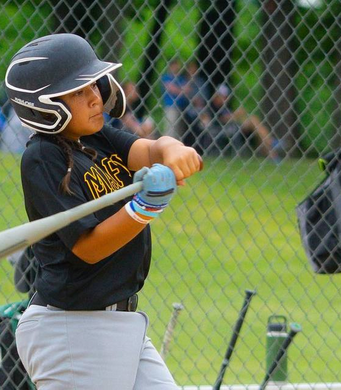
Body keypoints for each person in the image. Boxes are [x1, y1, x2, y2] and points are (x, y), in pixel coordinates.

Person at [5, 33, 202, 390]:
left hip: (118, 324)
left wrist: (173, 150)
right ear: (47, 105)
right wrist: (146, 207)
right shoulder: (43, 157)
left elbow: (151, 149)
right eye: (78, 92)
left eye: (93, 85)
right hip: (72, 330)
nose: (95, 97)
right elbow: (88, 247)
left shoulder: (98, 139)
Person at [208, 84, 278, 159]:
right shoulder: (213, 107)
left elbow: (232, 118)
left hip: (235, 127)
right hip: (223, 129)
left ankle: (272, 152)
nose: (224, 98)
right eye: (221, 96)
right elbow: (220, 120)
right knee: (253, 120)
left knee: (255, 123)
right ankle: (271, 142)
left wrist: (237, 115)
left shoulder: (225, 107)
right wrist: (235, 115)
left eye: (225, 96)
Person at [161, 58, 190, 139]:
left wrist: (179, 90)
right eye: (175, 65)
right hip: (170, 105)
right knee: (170, 128)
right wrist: (181, 90)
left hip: (181, 106)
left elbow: (187, 90)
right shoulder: (166, 77)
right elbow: (171, 88)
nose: (177, 67)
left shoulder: (180, 78)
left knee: (179, 130)